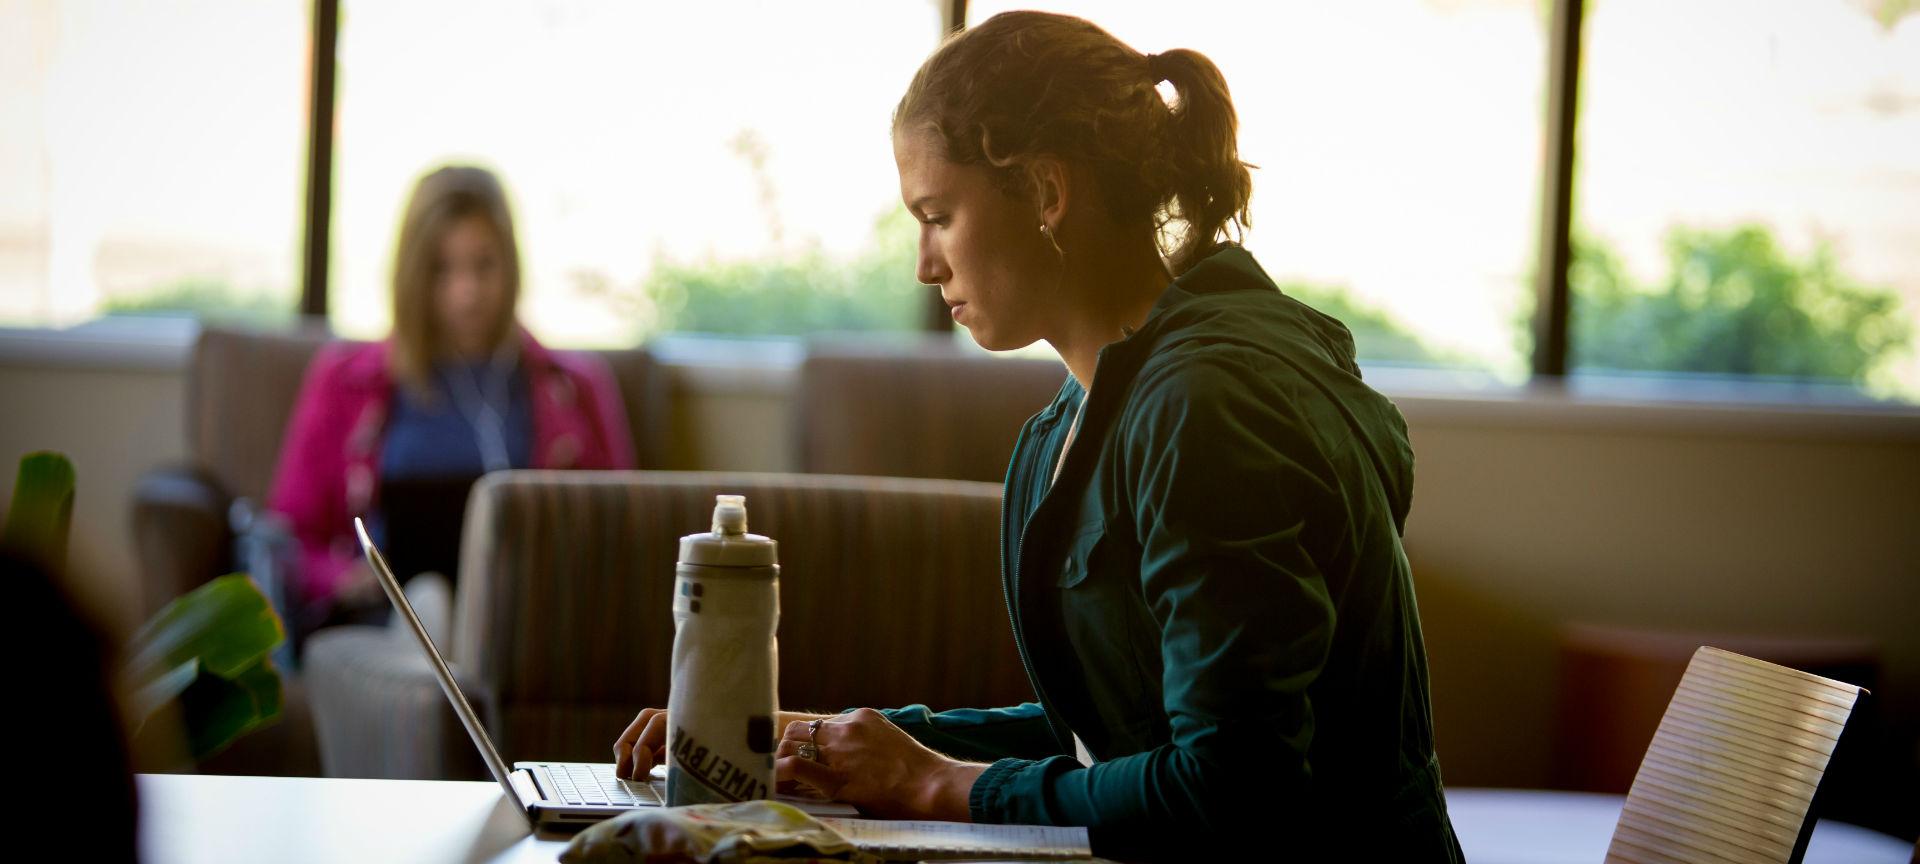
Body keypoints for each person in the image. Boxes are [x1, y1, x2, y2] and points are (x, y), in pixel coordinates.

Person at [615, 12, 1461, 860]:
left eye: (938, 214)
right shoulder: (1073, 425)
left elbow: (1234, 785)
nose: (924, 263)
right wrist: (826, 744)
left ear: (1047, 192)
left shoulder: (1207, 406)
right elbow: (1108, 739)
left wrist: (935, 783)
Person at [269, 165, 633, 636]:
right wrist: (344, 579)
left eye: (484, 265)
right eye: (443, 269)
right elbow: (287, 539)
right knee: (428, 614)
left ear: (511, 264)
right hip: (382, 624)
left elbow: (623, 533)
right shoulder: (343, 382)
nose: (467, 292)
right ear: (413, 274)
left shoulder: (577, 388)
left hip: (529, 621)